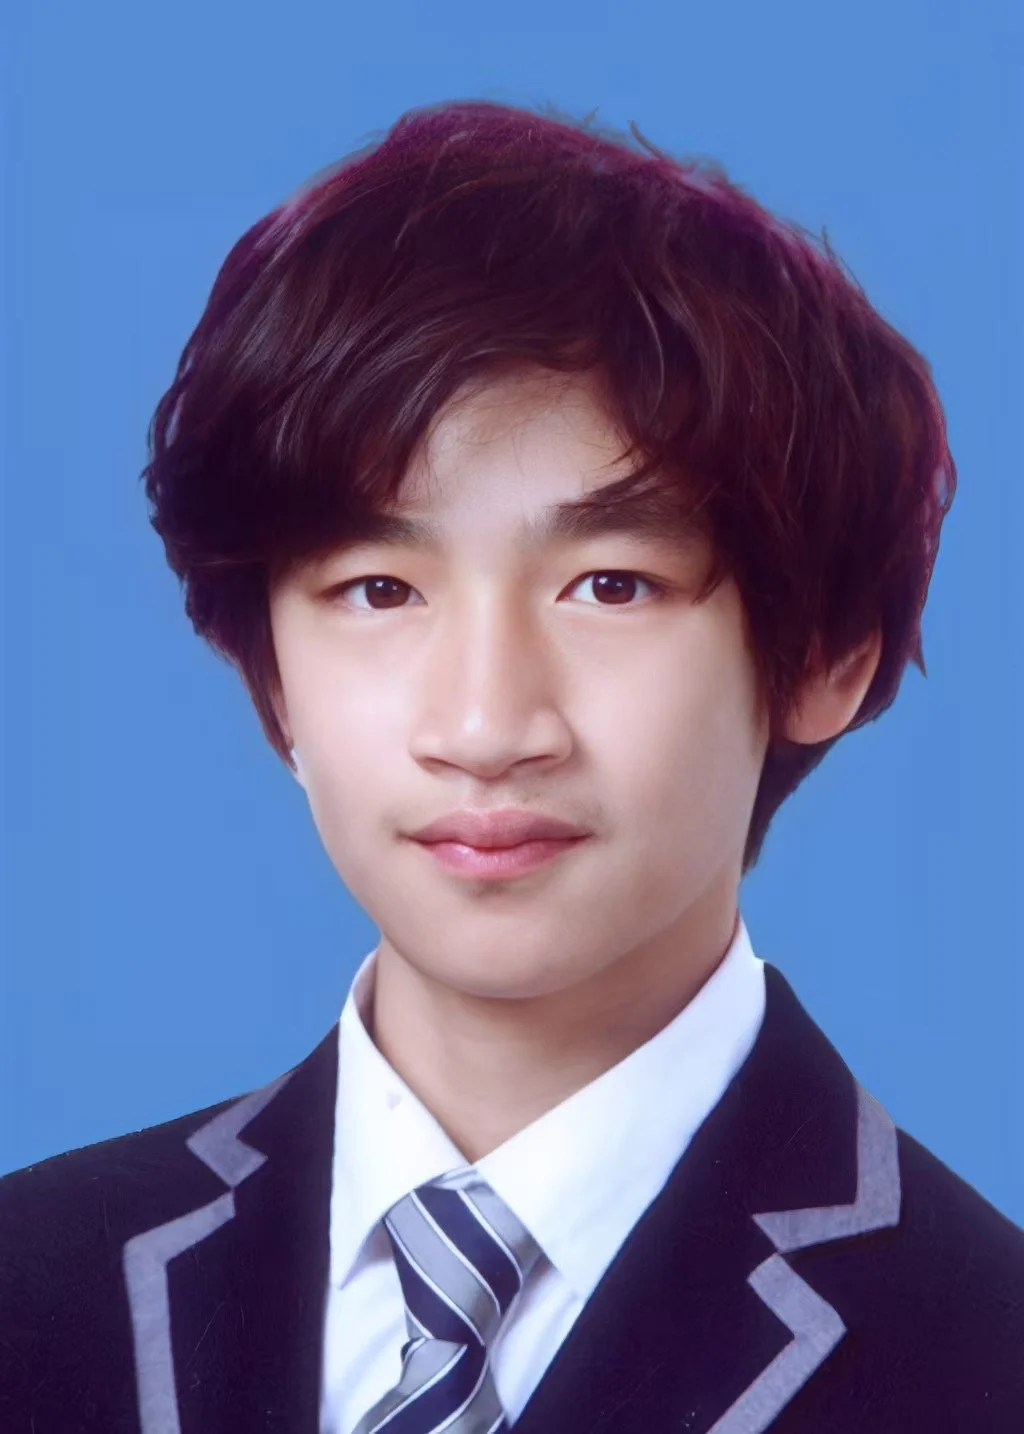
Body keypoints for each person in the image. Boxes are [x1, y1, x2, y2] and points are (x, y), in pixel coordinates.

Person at [1, 98, 1021, 1434]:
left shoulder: (983, 1352)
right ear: (270, 681)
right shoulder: (35, 1284)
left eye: (610, 584)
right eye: (376, 588)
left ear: (821, 653)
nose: (485, 724)